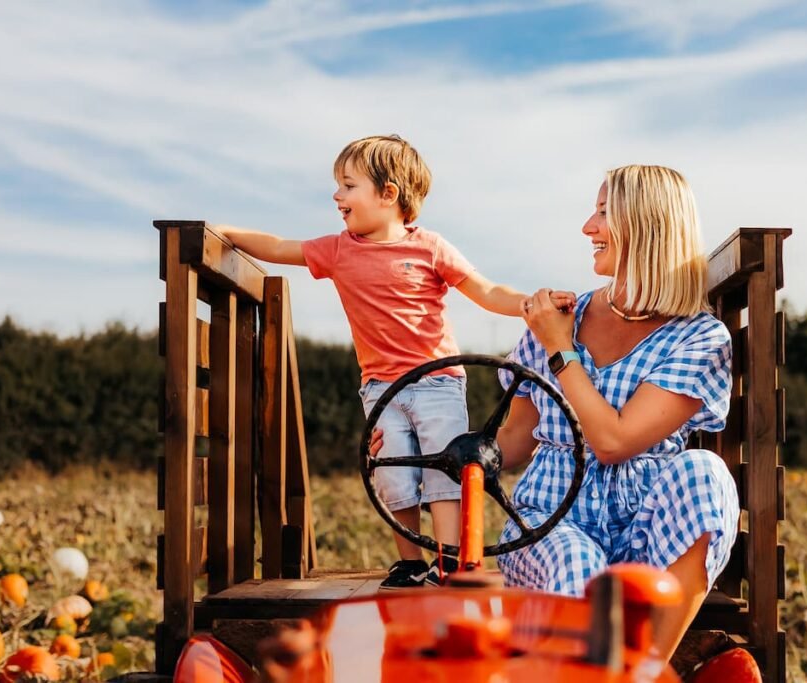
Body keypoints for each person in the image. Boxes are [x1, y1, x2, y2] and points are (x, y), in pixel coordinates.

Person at [213, 134, 573, 590]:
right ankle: (411, 561)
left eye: (348, 185)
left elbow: (486, 291)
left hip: (437, 381)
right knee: (392, 473)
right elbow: (280, 246)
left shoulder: (430, 248)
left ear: (388, 195)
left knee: (447, 470)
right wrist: (223, 233)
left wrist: (533, 303)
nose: (336, 196)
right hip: (381, 388)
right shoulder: (337, 249)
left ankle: (449, 561)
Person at [493, 164, 739, 658]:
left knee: (704, 471)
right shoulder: (559, 318)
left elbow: (613, 442)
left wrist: (562, 352)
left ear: (646, 226)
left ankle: (645, 669)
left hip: (645, 532)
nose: (588, 227)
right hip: (550, 521)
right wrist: (425, 449)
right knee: (578, 565)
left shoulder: (698, 337)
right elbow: (513, 442)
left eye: (604, 212)